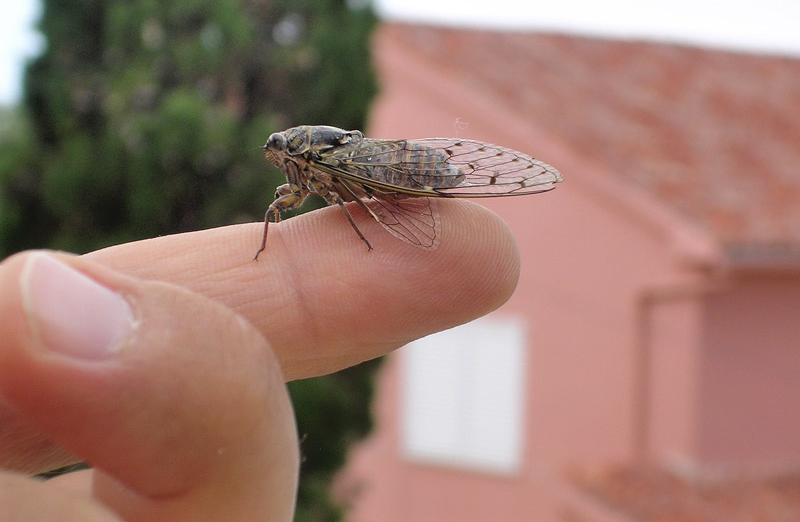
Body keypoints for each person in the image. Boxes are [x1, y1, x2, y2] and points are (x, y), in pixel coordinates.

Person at [0, 200, 520, 521]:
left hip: (381, 175)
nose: (278, 162)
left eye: (285, 152)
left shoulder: (328, 166)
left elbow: (351, 199)